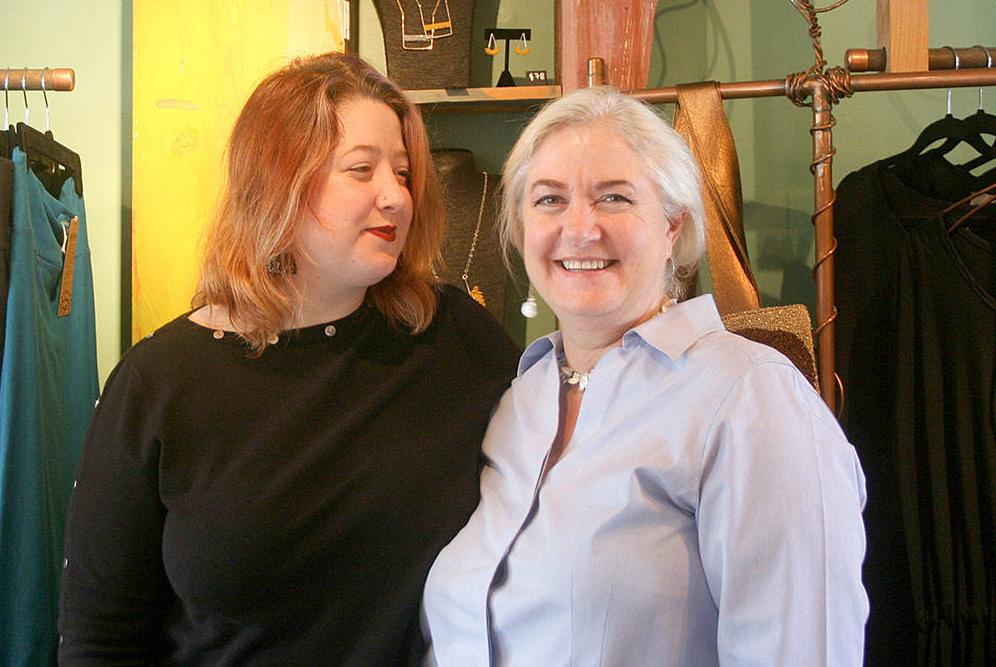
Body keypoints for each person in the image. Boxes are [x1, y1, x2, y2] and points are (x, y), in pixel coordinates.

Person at [57, 52, 520, 664]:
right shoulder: (158, 383)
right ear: (279, 182)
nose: (396, 197)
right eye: (362, 170)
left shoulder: (454, 338)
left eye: (403, 174)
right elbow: (100, 634)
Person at [421, 87, 868, 665]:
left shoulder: (749, 398)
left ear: (672, 229)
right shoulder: (519, 400)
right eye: (550, 200)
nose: (579, 228)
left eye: (613, 198)